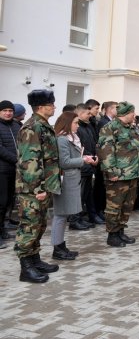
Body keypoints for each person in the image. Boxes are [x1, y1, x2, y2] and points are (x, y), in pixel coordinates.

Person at [14, 90, 62, 283]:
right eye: (52, 105)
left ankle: (34, 259)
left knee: (40, 225)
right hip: (32, 189)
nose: (54, 107)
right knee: (29, 226)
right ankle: (25, 268)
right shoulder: (32, 128)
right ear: (42, 107)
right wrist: (38, 189)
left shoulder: (42, 126)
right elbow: (30, 162)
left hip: (45, 185)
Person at [98, 101, 139, 248]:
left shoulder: (132, 128)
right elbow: (105, 151)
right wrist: (111, 172)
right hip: (118, 176)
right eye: (132, 113)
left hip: (132, 174)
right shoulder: (110, 128)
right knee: (114, 207)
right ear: (125, 114)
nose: (134, 115)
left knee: (127, 206)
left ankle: (121, 231)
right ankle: (112, 235)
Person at [52, 112, 96, 260]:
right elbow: (64, 162)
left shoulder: (71, 138)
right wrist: (83, 160)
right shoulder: (62, 140)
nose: (77, 125)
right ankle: (57, 248)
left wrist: (82, 158)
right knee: (60, 215)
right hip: (66, 180)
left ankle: (61, 245)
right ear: (67, 123)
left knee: (64, 215)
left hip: (72, 179)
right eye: (75, 122)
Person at [0, 100, 21, 249]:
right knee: (1, 202)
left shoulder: (16, 126)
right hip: (2, 170)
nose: (8, 113)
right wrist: (17, 160)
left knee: (8, 203)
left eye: (10, 110)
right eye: (5, 110)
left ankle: (2, 230)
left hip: (15, 170)